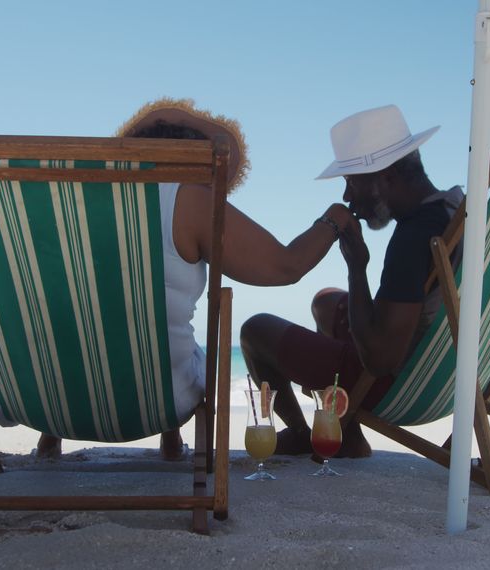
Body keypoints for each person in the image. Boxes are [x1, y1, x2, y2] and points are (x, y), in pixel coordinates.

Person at [35, 98, 357, 460]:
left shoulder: (56, 204)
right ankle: (169, 435)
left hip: (41, 393)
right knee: (173, 339)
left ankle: (50, 437)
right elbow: (286, 267)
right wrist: (335, 220)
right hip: (155, 400)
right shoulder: (187, 197)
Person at [240, 104, 462, 458]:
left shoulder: (414, 237)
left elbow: (379, 361)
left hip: (392, 385)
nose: (347, 197)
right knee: (325, 301)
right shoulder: (454, 210)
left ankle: (303, 432)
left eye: (351, 181)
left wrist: (357, 269)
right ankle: (349, 433)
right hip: (448, 377)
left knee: (255, 330)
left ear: (386, 176)